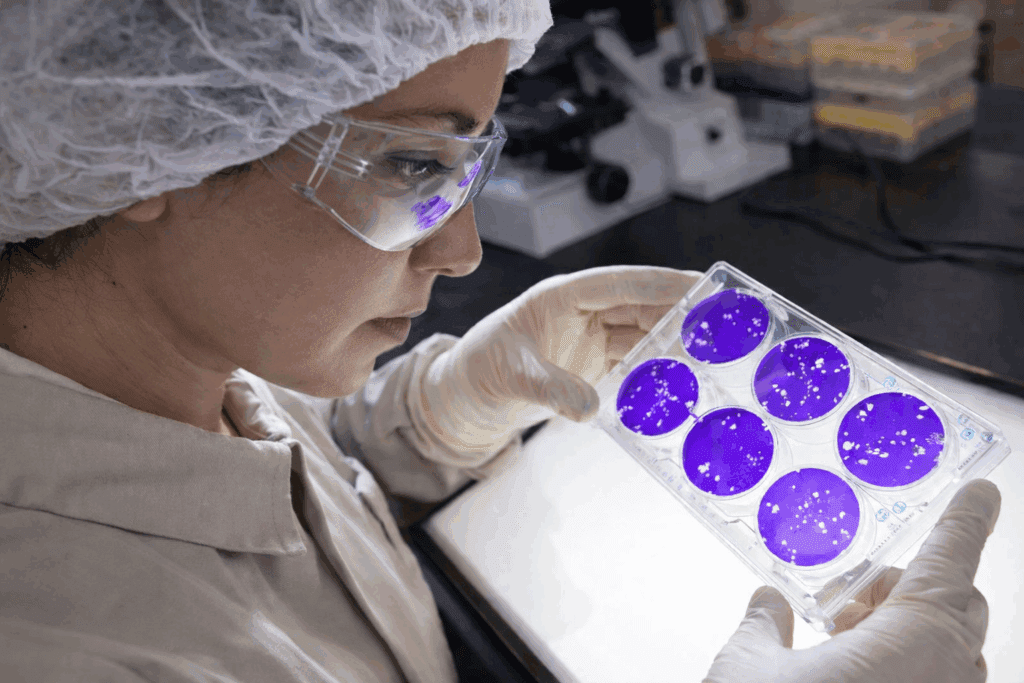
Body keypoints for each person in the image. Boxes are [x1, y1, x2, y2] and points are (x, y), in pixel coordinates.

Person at [0, 2, 1000, 682]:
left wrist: (434, 415)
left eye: (467, 164)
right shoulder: (55, 643)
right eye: (409, 164)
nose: (462, 250)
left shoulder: (183, 365)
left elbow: (274, 479)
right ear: (136, 148)